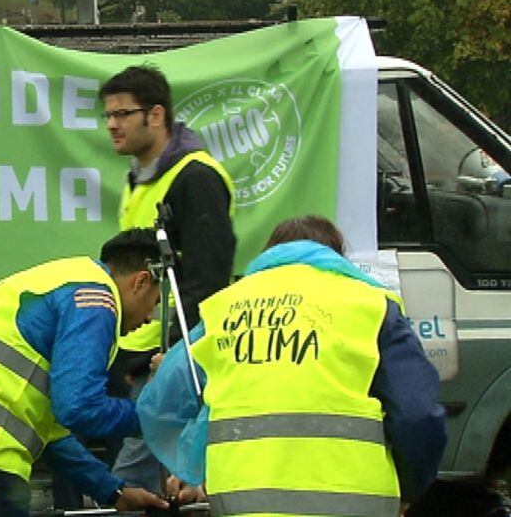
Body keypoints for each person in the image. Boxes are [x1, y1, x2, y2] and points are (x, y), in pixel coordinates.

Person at [140, 215, 447, 516]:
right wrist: (411, 489)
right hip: (354, 499)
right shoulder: (370, 305)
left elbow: (164, 401)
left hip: (241, 500)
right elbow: (416, 414)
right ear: (335, 256)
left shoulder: (223, 309)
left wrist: (193, 467)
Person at [0, 229, 172, 516]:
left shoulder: (65, 279)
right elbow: (80, 408)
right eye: (156, 302)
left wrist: (112, 491)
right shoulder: (95, 299)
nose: (151, 317)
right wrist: (151, 418)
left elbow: (52, 433)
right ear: (141, 281)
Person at [99, 64, 236, 491]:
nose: (112, 125)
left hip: (169, 364)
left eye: (122, 114)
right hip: (140, 360)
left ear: (155, 116)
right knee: (156, 487)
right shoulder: (139, 180)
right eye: (108, 116)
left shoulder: (196, 178)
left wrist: (174, 355)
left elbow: (206, 279)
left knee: (126, 486)